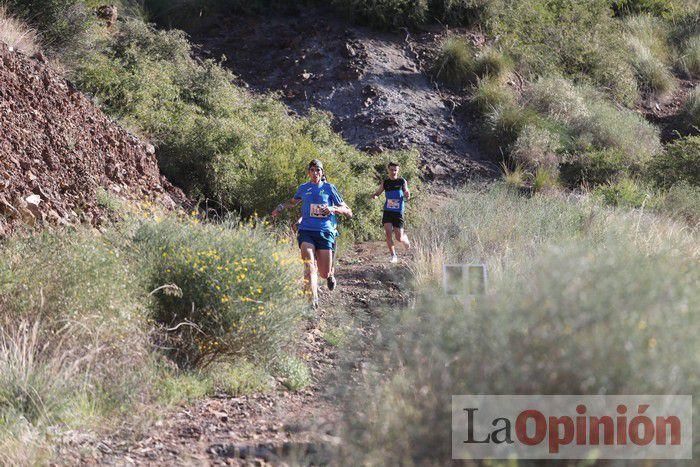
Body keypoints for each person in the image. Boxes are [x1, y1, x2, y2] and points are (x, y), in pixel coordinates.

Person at [272, 160, 352, 309]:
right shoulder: (304, 188)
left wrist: (333, 209)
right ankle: (312, 298)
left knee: (324, 272)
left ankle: (330, 275)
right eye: (312, 170)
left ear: (322, 173)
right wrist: (281, 206)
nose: (315, 173)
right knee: (309, 264)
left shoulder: (330, 188)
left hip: (325, 232)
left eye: (318, 170)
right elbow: (293, 202)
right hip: (306, 231)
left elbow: (348, 211)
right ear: (308, 172)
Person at [372, 161, 410, 263]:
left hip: (398, 212)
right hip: (388, 211)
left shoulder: (402, 181)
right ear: (388, 170)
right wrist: (375, 196)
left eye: (395, 170)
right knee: (388, 233)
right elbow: (378, 192)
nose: (393, 172)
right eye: (391, 170)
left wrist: (407, 194)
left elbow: (406, 191)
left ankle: (404, 238)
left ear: (398, 171)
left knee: (399, 238)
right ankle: (393, 256)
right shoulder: (385, 182)